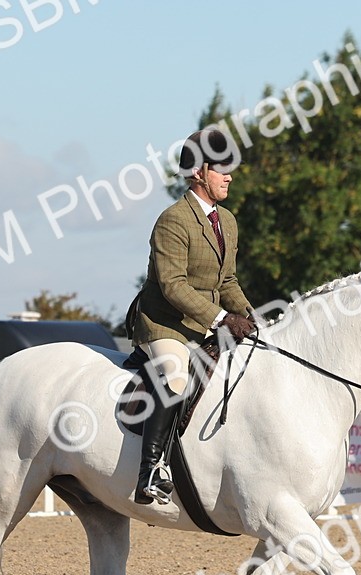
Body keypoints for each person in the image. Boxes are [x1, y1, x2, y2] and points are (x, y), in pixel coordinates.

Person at [128, 128, 258, 505]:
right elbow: (173, 286)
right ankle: (151, 469)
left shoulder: (227, 221)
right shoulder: (173, 220)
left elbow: (227, 280)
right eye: (222, 169)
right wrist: (222, 319)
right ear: (199, 172)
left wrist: (252, 317)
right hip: (166, 325)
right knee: (175, 374)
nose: (229, 177)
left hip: (206, 323)